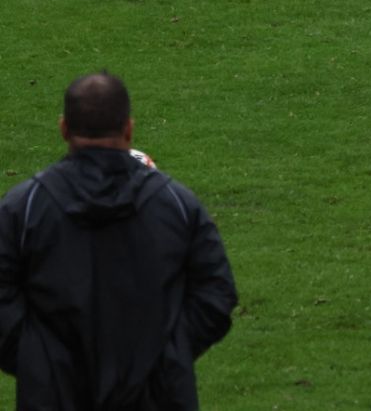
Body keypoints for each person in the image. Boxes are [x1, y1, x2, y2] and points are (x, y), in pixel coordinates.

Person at [0, 72, 237, 410]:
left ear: (64, 129)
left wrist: (40, 363)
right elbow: (216, 294)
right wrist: (169, 355)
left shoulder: (24, 207)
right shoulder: (176, 203)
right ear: (129, 128)